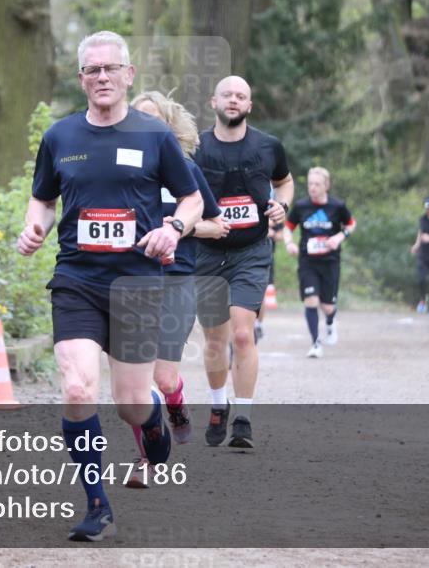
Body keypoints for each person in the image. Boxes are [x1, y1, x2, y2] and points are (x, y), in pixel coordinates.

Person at [17, 31, 203, 541]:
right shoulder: (59, 137)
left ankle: (154, 420)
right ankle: (97, 505)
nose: (102, 77)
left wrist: (173, 228)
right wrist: (35, 226)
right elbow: (43, 199)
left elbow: (191, 199)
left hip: (136, 283)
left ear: (128, 75)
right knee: (78, 387)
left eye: (110, 68)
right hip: (76, 279)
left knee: (130, 404)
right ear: (81, 78)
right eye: (92, 70)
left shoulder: (154, 135)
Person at [125, 90, 227, 487]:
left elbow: (217, 226)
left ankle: (176, 401)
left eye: (154, 120)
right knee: (136, 382)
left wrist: (179, 227)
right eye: (137, 119)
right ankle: (145, 459)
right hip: (133, 280)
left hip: (177, 281)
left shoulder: (184, 169)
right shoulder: (120, 172)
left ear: (168, 128)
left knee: (164, 379)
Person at [194, 76, 293, 449]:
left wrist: (282, 205)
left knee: (241, 334)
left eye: (241, 96)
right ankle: (219, 404)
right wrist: (199, 225)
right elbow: (182, 198)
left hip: (251, 251)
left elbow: (284, 182)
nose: (233, 100)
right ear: (213, 101)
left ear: (249, 105)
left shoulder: (268, 146)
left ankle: (243, 419)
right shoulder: (195, 148)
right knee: (215, 339)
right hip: (206, 253)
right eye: (227, 95)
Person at [284, 167, 355, 359]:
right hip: (307, 261)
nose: (312, 188)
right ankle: (315, 343)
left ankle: (330, 321)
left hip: (330, 262)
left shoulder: (337, 206)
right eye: (310, 184)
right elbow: (288, 227)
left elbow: (351, 224)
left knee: (327, 306)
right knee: (311, 300)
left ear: (326, 186)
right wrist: (289, 243)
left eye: (317, 184)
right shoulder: (301, 206)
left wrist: (339, 237)